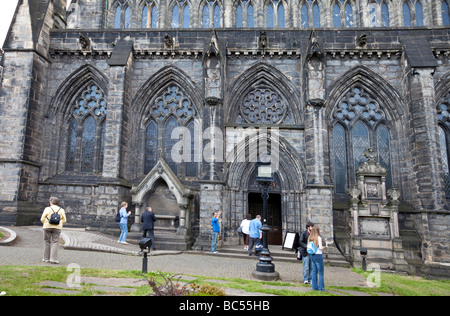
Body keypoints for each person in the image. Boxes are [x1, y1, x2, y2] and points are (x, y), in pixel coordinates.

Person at [40, 196, 67, 264]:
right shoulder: (61, 210)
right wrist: (59, 223)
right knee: (55, 242)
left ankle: (46, 258)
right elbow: (64, 220)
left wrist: (46, 222)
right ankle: (53, 259)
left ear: (51, 202)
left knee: (46, 241)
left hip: (47, 226)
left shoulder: (47, 209)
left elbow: (42, 219)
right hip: (57, 227)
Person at [308, 226, 326, 291]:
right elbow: (320, 247)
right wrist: (324, 246)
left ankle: (314, 287)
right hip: (318, 255)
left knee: (314, 272)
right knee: (321, 272)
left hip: (312, 255)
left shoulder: (310, 238)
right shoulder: (318, 238)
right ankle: (321, 288)